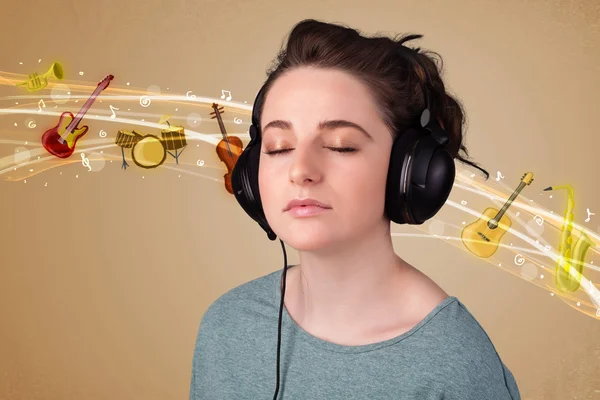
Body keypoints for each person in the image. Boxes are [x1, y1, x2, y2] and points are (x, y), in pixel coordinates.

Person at [189, 18, 521, 399]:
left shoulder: (454, 363)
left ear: (408, 171)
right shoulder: (226, 326)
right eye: (279, 147)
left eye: (341, 145)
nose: (300, 171)